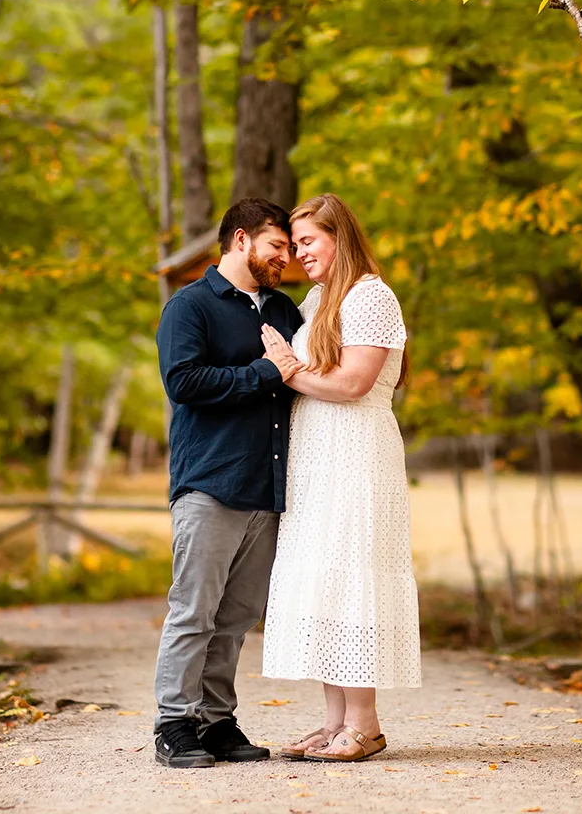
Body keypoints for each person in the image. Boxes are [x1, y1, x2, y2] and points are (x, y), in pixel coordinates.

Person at [257, 192, 418, 763]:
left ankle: (365, 723)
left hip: (357, 455)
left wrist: (288, 370)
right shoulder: (322, 298)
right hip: (315, 458)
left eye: (308, 241)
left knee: (352, 578)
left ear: (340, 237)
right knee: (324, 581)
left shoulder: (371, 296)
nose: (300, 254)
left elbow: (352, 384)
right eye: (294, 244)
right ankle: (333, 722)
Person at [151, 197, 306, 769]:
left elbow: (303, 379)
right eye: (276, 247)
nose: (284, 258)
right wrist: (267, 372)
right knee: (193, 611)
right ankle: (174, 723)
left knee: (236, 618)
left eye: (289, 250)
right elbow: (184, 381)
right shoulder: (189, 306)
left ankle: (215, 722)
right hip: (210, 482)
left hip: (267, 486)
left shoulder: (284, 310)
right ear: (241, 240)